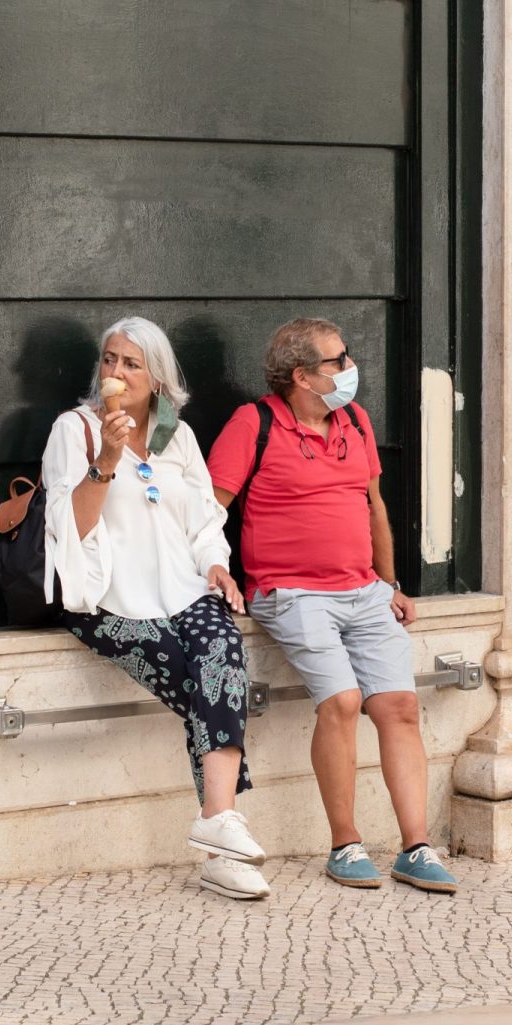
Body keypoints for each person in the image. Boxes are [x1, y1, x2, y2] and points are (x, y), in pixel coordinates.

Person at [208, 318, 458, 894]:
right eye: (338, 361)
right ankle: (345, 844)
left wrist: (389, 581)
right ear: (301, 375)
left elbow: (373, 505)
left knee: (398, 705)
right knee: (343, 701)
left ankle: (415, 848)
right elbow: (208, 509)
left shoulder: (355, 421)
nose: (350, 370)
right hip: (289, 591)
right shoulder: (255, 424)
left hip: (362, 590)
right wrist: (214, 573)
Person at [42, 317, 270, 900]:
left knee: (221, 649)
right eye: (110, 360)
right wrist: (108, 459)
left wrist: (216, 564)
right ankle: (222, 837)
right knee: (206, 686)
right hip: (106, 599)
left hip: (183, 588)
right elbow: (73, 527)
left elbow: (203, 522)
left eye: (131, 364)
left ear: (158, 380)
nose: (115, 372)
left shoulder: (180, 437)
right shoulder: (75, 430)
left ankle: (217, 827)